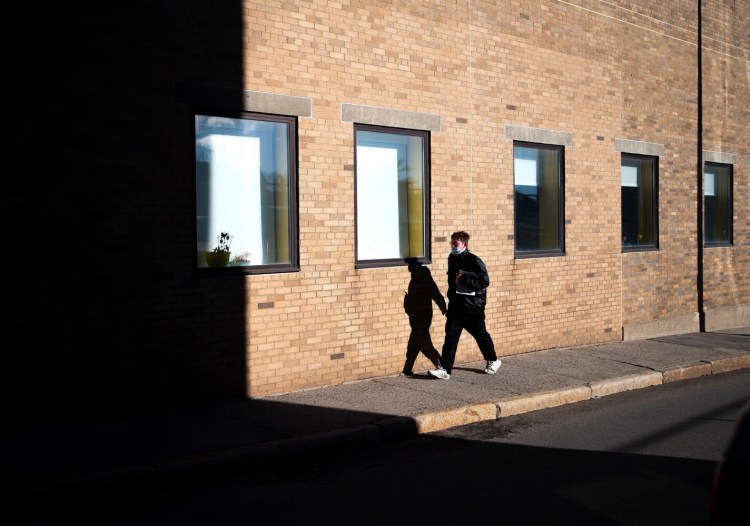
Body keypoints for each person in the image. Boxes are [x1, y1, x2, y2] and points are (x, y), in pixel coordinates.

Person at [429, 231, 501, 380]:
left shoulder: (474, 261)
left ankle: (493, 359)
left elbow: (484, 281)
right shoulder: (452, 258)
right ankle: (445, 370)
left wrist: (464, 280)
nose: (453, 246)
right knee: (450, 338)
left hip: (472, 308)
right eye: (452, 243)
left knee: (480, 335)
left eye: (456, 243)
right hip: (456, 307)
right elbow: (452, 283)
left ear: (465, 245)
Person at [402, 259, 446, 375]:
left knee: (424, 344)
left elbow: (435, 293)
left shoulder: (422, 277)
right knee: (414, 343)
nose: (408, 268)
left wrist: (443, 308)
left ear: (415, 266)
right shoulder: (415, 277)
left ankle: (442, 366)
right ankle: (407, 369)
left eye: (410, 265)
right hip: (416, 316)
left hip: (422, 317)